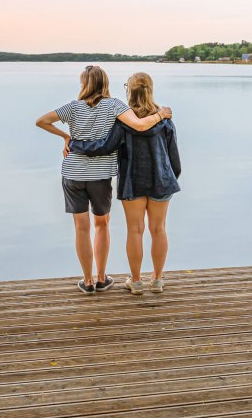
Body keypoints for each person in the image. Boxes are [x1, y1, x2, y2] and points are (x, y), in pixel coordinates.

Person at [35, 66, 172, 294]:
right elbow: (147, 131)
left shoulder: (73, 107)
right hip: (104, 176)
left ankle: (90, 281)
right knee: (107, 224)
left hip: (74, 174)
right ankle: (110, 278)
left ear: (84, 84)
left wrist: (67, 137)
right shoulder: (115, 106)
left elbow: (42, 121)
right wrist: (161, 115)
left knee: (84, 228)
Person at [69, 72, 180, 295]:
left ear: (129, 90)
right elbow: (174, 158)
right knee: (158, 229)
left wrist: (75, 144)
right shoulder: (165, 119)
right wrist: (170, 179)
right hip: (161, 181)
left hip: (132, 182)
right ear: (151, 89)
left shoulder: (123, 120)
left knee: (135, 230)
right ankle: (157, 280)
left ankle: (137, 282)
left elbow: (103, 147)